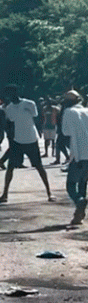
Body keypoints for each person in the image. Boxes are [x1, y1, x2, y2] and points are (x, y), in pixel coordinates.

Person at [0, 85, 54, 204]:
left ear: (17, 92)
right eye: (8, 94)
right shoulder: (8, 108)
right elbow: (10, 122)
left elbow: (36, 117)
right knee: (10, 168)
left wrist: (40, 130)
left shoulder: (29, 104)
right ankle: (4, 195)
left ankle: (49, 193)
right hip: (17, 140)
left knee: (39, 167)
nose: (10, 96)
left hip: (31, 139)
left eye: (11, 93)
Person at [61, 90, 88, 224]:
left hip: (79, 154)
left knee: (71, 185)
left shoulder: (68, 112)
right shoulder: (87, 111)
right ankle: (79, 215)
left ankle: (79, 201)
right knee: (83, 183)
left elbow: (65, 132)